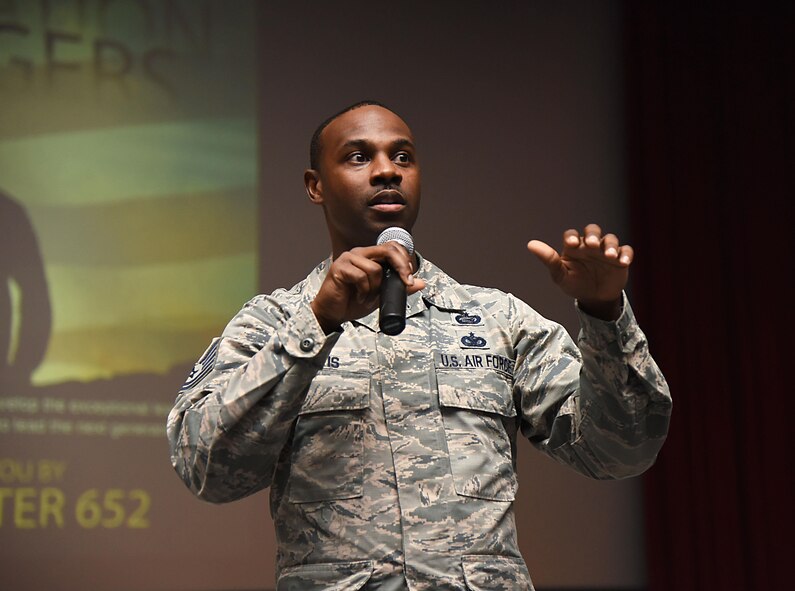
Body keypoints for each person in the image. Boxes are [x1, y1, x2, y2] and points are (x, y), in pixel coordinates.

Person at [167, 101, 671, 591]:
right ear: (315, 186)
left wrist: (605, 314)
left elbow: (617, 452)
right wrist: (316, 323)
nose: (387, 171)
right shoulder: (273, 322)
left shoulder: (499, 319)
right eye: (359, 156)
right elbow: (208, 469)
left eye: (403, 156)